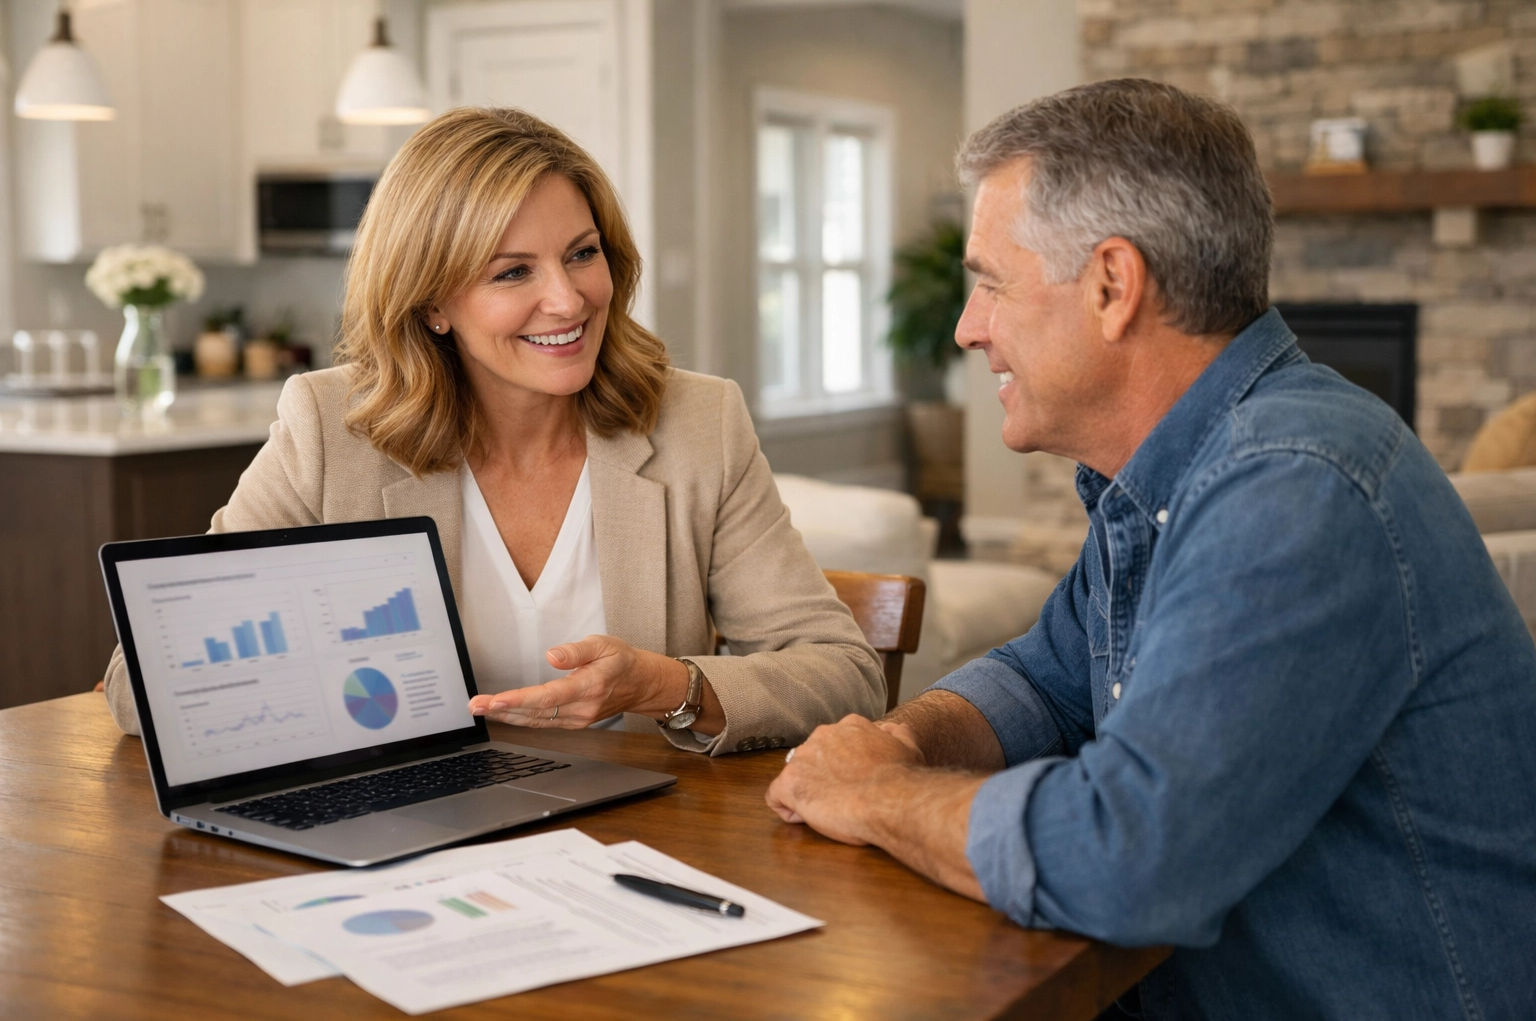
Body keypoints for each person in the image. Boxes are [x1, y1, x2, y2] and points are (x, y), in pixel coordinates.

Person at [767, 79, 1536, 1019]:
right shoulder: (1178, 474)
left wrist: (878, 794)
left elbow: (1125, 857)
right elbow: (1044, 680)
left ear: (1112, 286)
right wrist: (899, 739)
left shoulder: (1293, 486)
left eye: (993, 283)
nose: (969, 327)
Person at [103, 106, 884, 752]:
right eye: (513, 272)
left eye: (582, 254)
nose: (568, 300)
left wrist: (664, 685)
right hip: (405, 830)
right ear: (432, 304)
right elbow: (140, 688)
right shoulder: (329, 432)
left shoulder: (698, 424)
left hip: (643, 835)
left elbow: (845, 673)